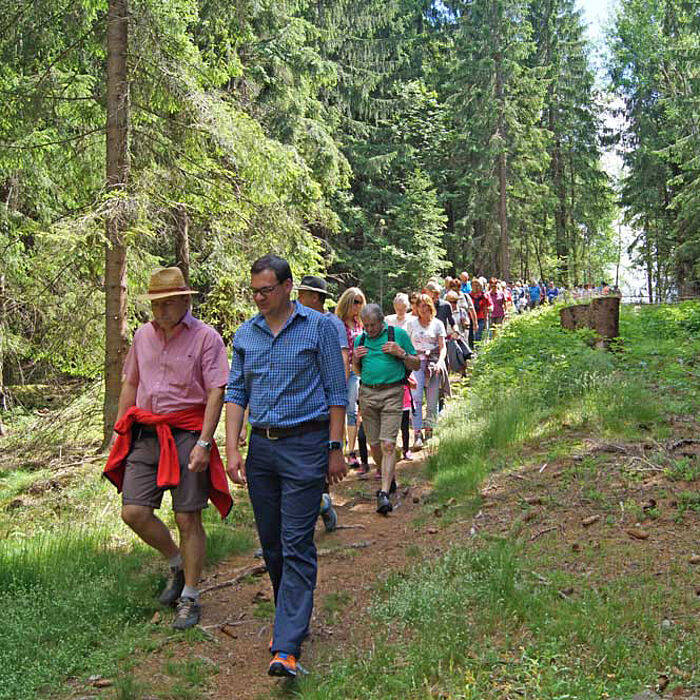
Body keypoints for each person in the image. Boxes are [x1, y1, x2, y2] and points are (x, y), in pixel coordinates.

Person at [225, 255, 347, 679]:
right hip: (263, 450)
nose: (259, 298)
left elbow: (336, 393)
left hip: (306, 446)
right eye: (254, 291)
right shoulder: (246, 334)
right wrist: (232, 448)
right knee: (273, 544)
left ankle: (287, 646)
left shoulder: (318, 329)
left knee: (297, 542)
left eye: (267, 290)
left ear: (288, 287)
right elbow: (236, 393)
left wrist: (335, 448)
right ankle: (290, 615)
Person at [104, 267, 232, 630]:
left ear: (185, 300)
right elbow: (131, 382)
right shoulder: (143, 336)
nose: (159, 310)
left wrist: (205, 442)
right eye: (155, 303)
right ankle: (176, 563)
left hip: (188, 431)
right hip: (146, 431)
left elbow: (216, 392)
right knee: (133, 511)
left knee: (187, 516)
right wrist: (120, 429)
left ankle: (190, 597)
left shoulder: (207, 338)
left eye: (167, 302)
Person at [353, 305, 419, 514]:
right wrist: (355, 359)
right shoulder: (361, 340)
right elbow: (357, 370)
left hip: (392, 392)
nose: (370, 329)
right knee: (374, 445)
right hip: (367, 394)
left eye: (373, 325)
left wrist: (400, 353)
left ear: (382, 321)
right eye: (366, 326)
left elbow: (416, 363)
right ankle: (388, 479)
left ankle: (383, 494)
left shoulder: (397, 335)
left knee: (388, 444)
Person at [296, 274, 347, 533]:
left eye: (302, 294)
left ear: (314, 297)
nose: (297, 298)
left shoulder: (331, 324)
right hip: (303, 407)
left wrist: (338, 401)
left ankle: (322, 504)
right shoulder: (296, 324)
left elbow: (340, 363)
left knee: (319, 463)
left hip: (325, 404)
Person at [407, 294, 446, 446]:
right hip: (416, 363)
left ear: (431, 307)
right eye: (420, 306)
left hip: (433, 363)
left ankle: (429, 430)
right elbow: (406, 345)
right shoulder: (412, 324)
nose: (423, 309)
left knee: (432, 399)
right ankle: (417, 434)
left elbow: (443, 348)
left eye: (425, 305)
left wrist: (440, 363)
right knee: (416, 399)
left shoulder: (438, 324)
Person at [336, 287, 366, 468]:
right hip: (342, 370)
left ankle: (352, 450)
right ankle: (342, 448)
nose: (358, 306)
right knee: (344, 409)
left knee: (355, 410)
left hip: (359, 370)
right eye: (355, 301)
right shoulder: (338, 323)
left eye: (361, 302)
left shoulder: (360, 324)